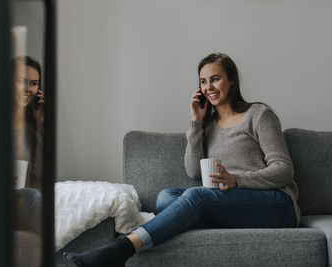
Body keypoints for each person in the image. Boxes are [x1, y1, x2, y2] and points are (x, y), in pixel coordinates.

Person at [63, 52, 300, 267]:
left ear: (232, 80)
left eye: (215, 79)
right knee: (166, 197)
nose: (209, 87)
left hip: (276, 204)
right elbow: (193, 172)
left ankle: (119, 250)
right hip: (228, 203)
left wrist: (236, 179)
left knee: (196, 196)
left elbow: (284, 170)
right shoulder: (208, 126)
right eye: (203, 82)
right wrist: (196, 123)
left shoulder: (258, 115)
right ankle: (196, 216)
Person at [12, 56, 45, 234]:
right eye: (21, 82)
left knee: (34, 195)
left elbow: (42, 177)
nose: (28, 89)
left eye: (33, 83)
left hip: (24, 199)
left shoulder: (32, 129)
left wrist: (41, 122)